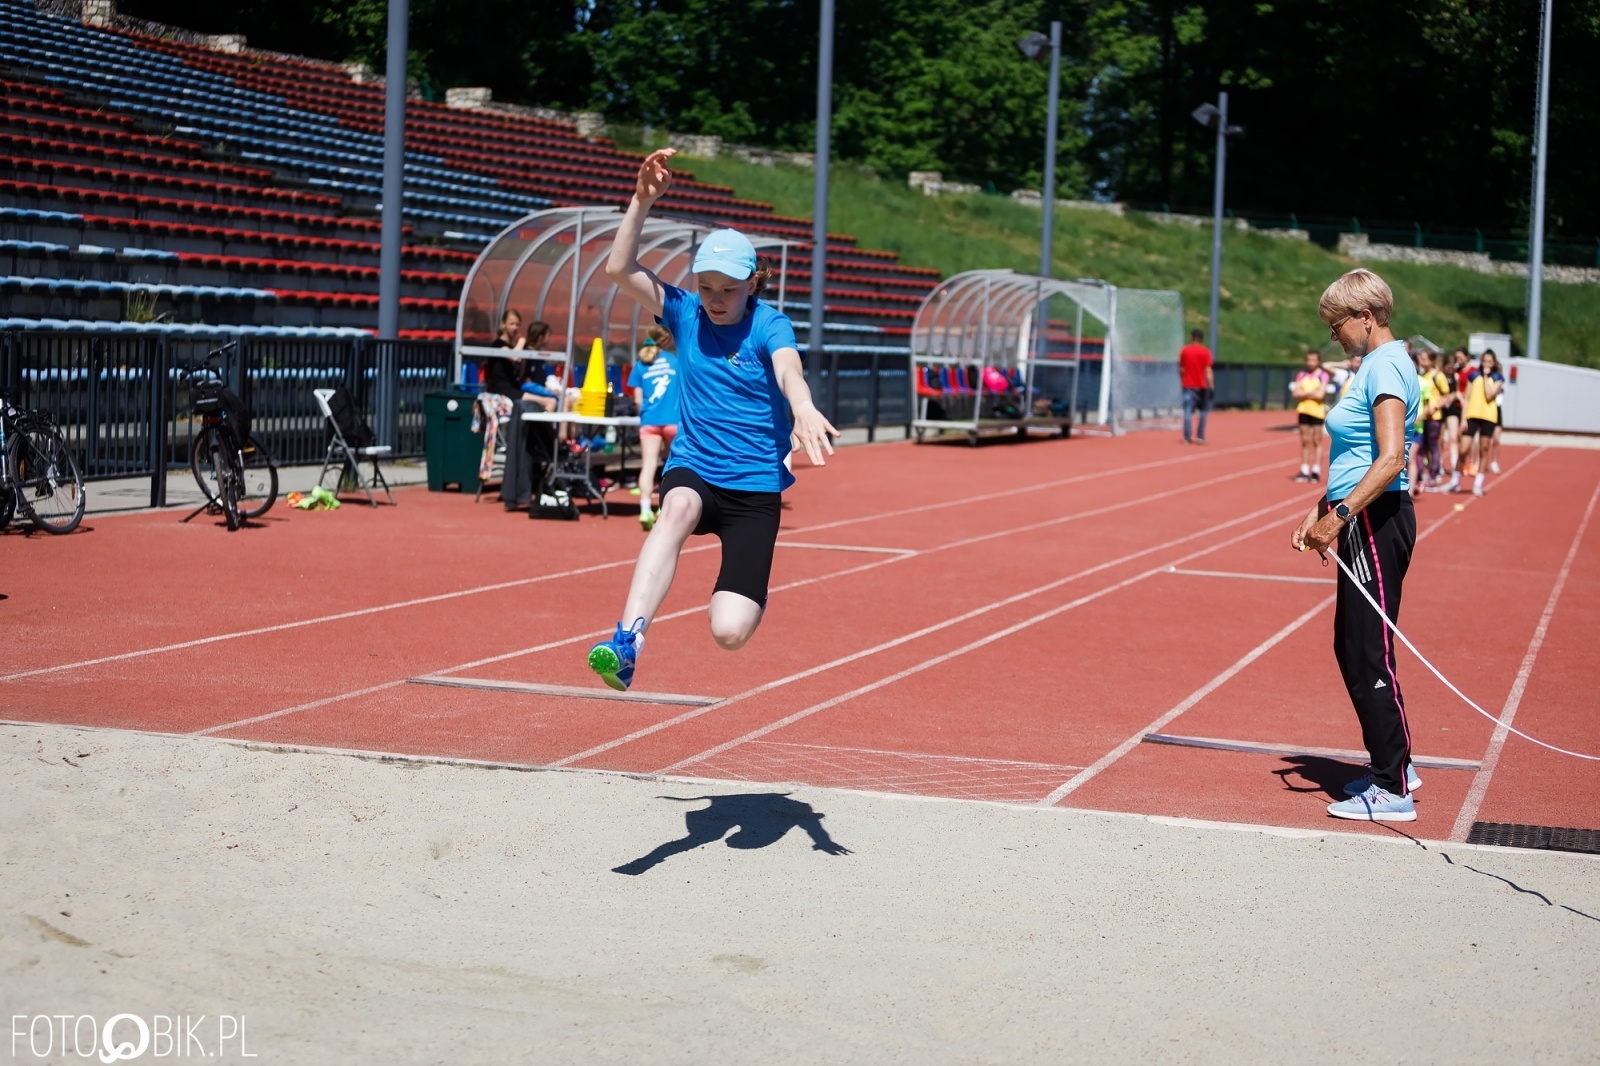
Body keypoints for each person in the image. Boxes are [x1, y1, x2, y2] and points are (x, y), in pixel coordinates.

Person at [587, 148, 839, 691]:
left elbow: (789, 370)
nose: (716, 300)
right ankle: (627, 641)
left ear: (753, 284)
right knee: (675, 507)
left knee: (729, 631)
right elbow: (619, 269)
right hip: (696, 468)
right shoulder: (684, 312)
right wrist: (641, 201)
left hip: (754, 488)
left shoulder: (769, 324)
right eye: (707, 288)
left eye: (729, 290)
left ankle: (746, 593)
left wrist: (802, 407)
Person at [1292, 269, 1421, 822]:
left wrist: (1342, 515)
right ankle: (1394, 762)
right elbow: (1357, 455)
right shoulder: (1374, 364)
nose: (1333, 336)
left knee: (1369, 650)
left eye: (1336, 324)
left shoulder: (1386, 365)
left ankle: (1393, 785)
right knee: (1353, 646)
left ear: (1366, 317)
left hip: (1375, 520)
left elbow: (1389, 458)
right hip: (1361, 516)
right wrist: (1322, 507)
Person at [628, 323, 680, 531]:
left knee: (648, 466)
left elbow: (637, 401)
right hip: (673, 420)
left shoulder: (641, 364)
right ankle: (663, 507)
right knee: (673, 465)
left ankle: (644, 509)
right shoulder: (675, 362)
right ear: (666, 340)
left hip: (650, 420)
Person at [1461, 349, 1505, 497]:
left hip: (1488, 416)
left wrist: (1486, 376)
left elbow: (1489, 394)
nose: (1486, 364)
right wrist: (1463, 419)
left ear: (1494, 363)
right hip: (1472, 415)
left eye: (1489, 362)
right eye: (1484, 361)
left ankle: (1478, 483)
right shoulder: (1473, 376)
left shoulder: (1498, 377)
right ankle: (1455, 480)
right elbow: (1467, 398)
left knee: (1484, 449)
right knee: (1463, 449)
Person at [1290, 349, 1331, 482]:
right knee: (1305, 440)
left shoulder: (1323, 375)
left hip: (1317, 412)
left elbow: (1320, 394)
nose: (1310, 362)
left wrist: (1304, 393)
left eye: (1313, 360)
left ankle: (1316, 470)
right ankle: (1304, 469)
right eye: (1308, 360)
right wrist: (1312, 392)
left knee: (1317, 441)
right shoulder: (1302, 375)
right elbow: (1295, 393)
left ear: (1318, 361)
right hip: (1303, 410)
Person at [1177, 328, 1213, 444]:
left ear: (1192, 337)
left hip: (1188, 385)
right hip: (1202, 386)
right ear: (1201, 339)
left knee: (1187, 411)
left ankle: (1187, 437)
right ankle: (1200, 436)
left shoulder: (1185, 350)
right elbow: (1208, 370)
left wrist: (1182, 380)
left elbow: (1181, 368)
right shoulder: (1205, 352)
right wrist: (1211, 385)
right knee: (1203, 411)